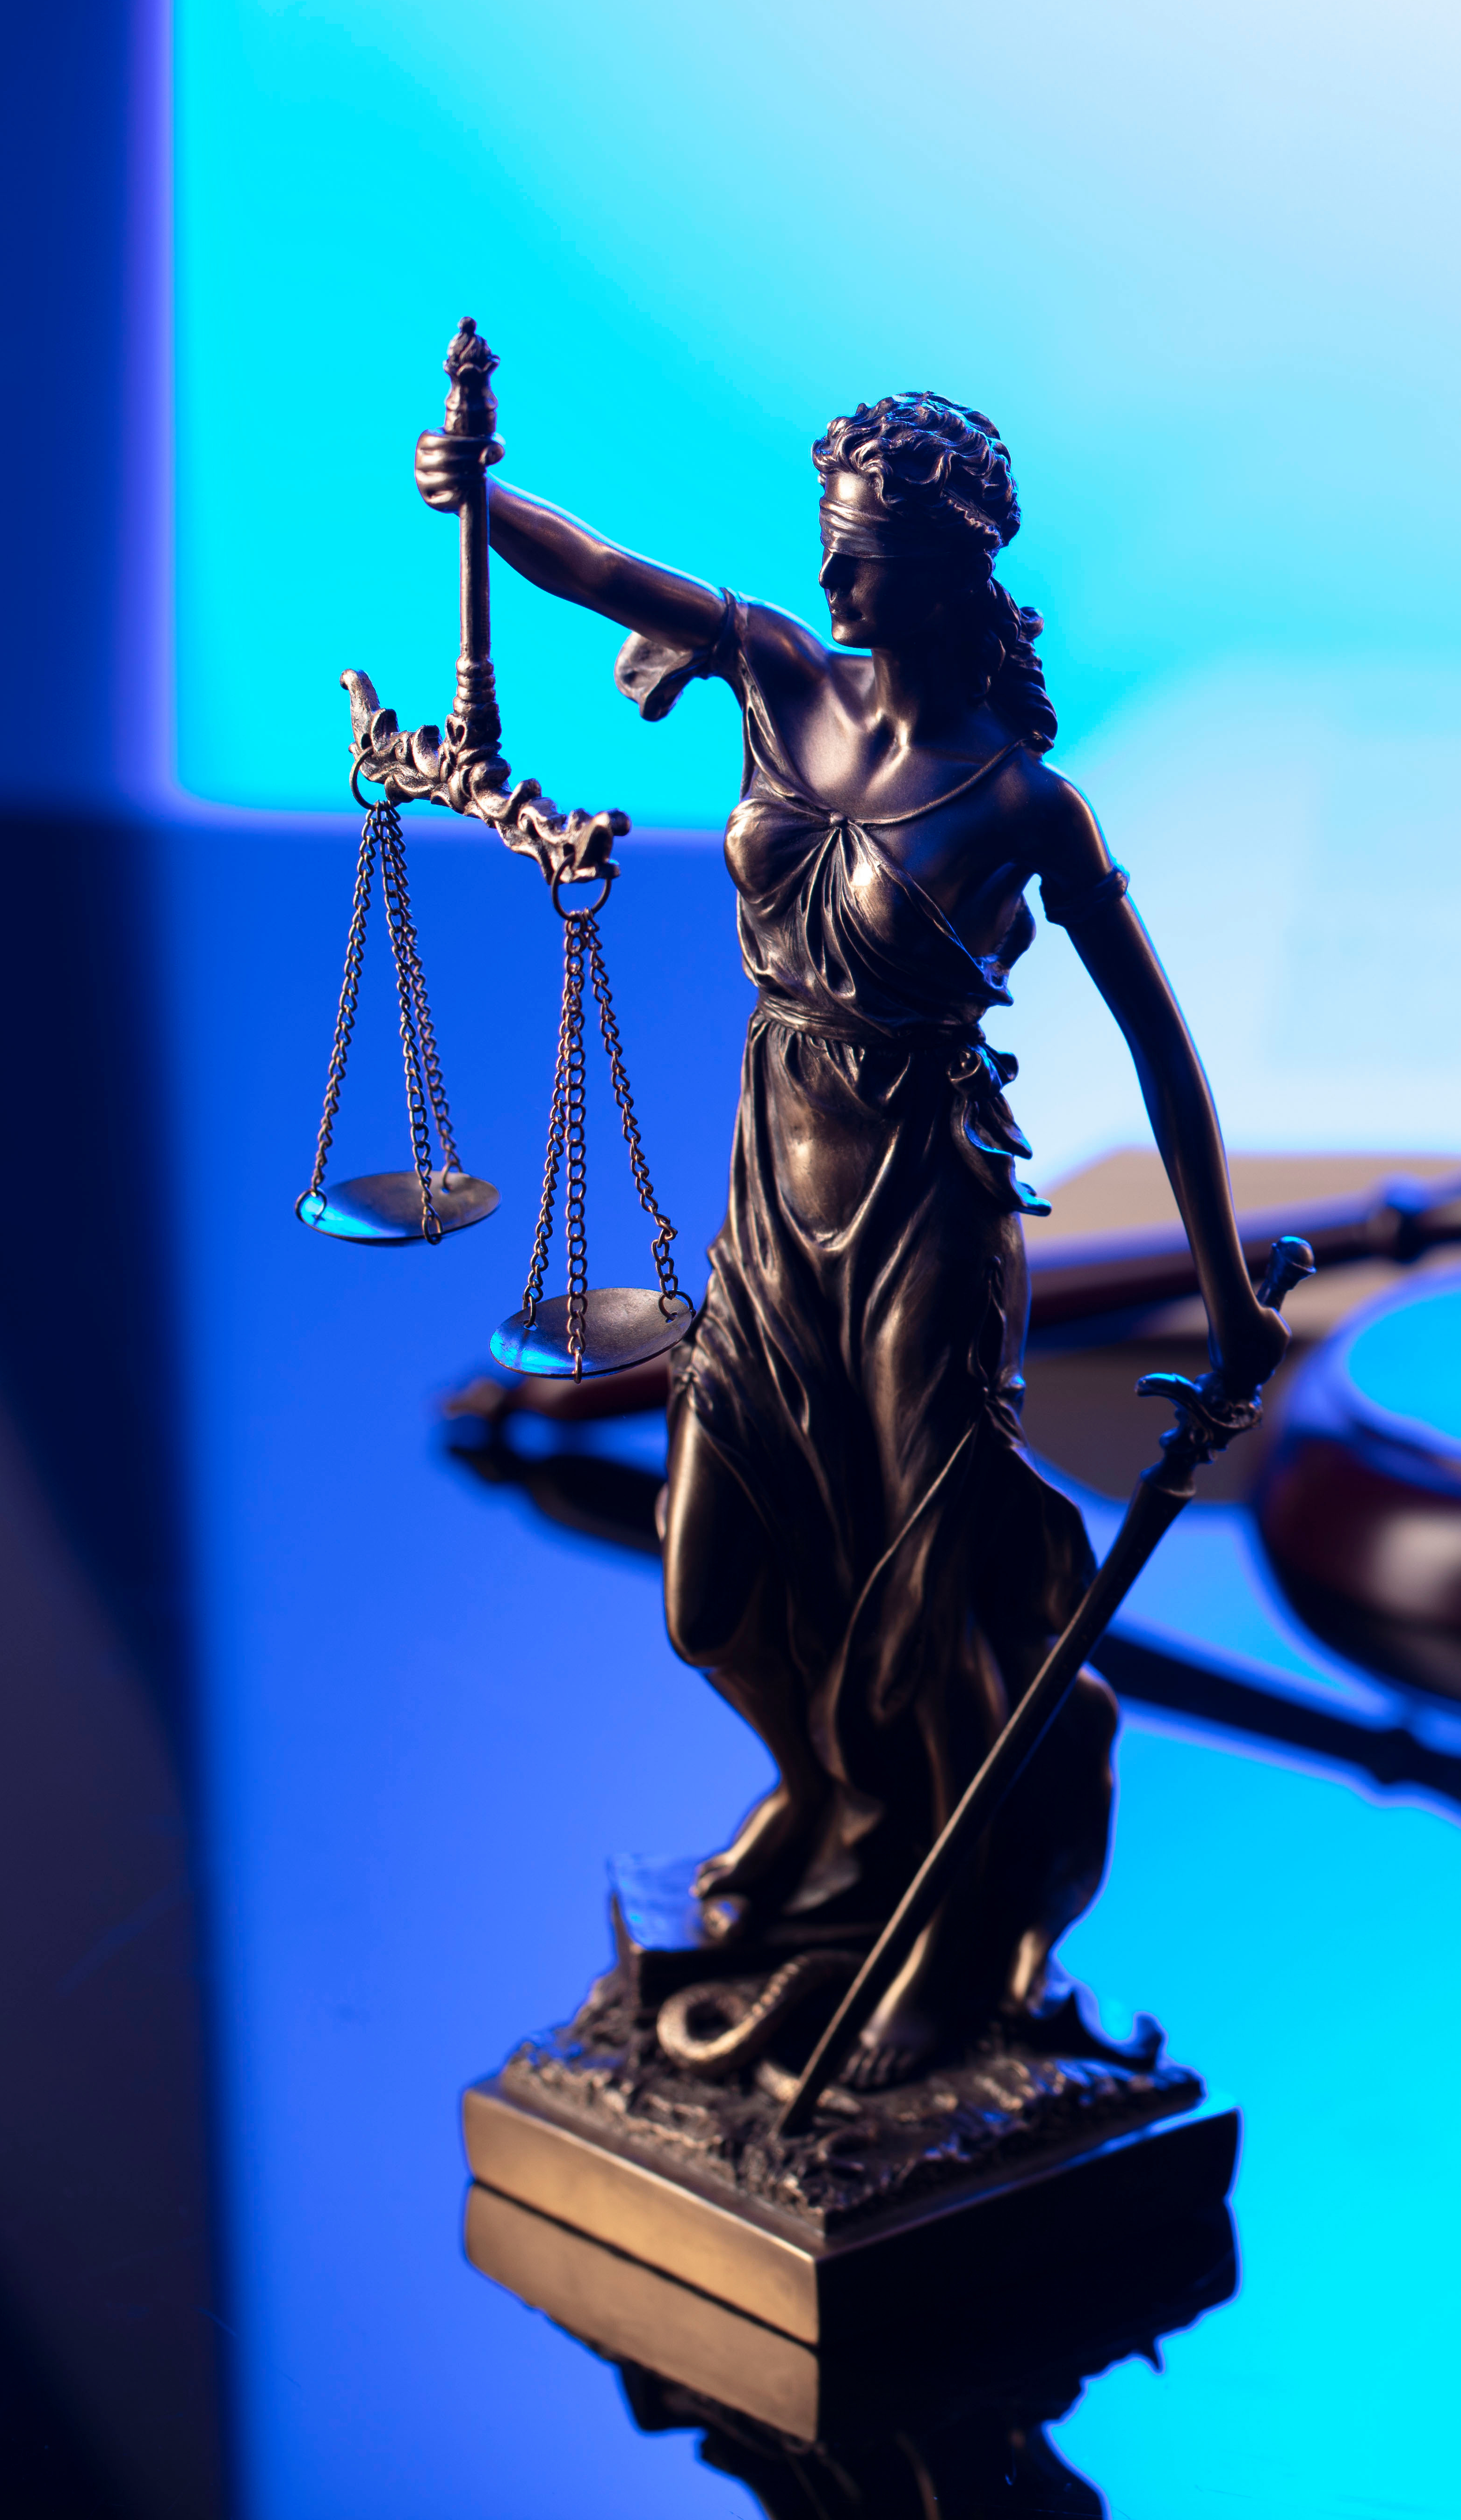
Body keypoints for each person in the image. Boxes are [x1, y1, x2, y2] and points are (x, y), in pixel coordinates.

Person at [415, 392, 1287, 2087]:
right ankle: (837, 1805)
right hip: (771, 1202)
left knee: (928, 1606)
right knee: (709, 1585)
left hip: (925, 1219)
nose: (833, 583)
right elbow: (591, 568)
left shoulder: (1025, 806)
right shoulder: (777, 676)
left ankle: (956, 1943)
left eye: (867, 559)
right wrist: (478, 493)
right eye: (830, 549)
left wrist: (1230, 1294)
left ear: (953, 576)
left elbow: (1161, 1049)